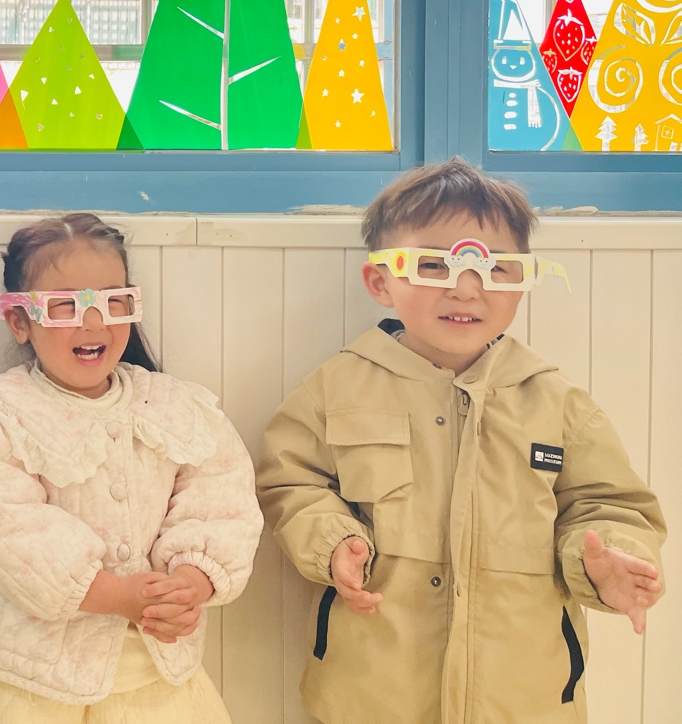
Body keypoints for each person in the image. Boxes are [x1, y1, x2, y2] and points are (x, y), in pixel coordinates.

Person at [257, 158, 666, 723]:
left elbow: (610, 505)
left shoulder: (556, 402)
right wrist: (332, 541)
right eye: (434, 265)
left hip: (524, 697)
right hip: (374, 690)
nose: (466, 289)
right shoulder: (336, 388)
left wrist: (606, 561)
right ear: (381, 282)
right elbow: (290, 480)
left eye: (495, 268)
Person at [0, 213, 261, 722]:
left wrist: (191, 579)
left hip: (160, 682)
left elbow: (222, 495)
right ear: (20, 321)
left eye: (114, 302)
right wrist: (117, 595)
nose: (93, 323)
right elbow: (13, 535)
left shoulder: (177, 406)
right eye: (65, 306)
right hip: (33, 687)